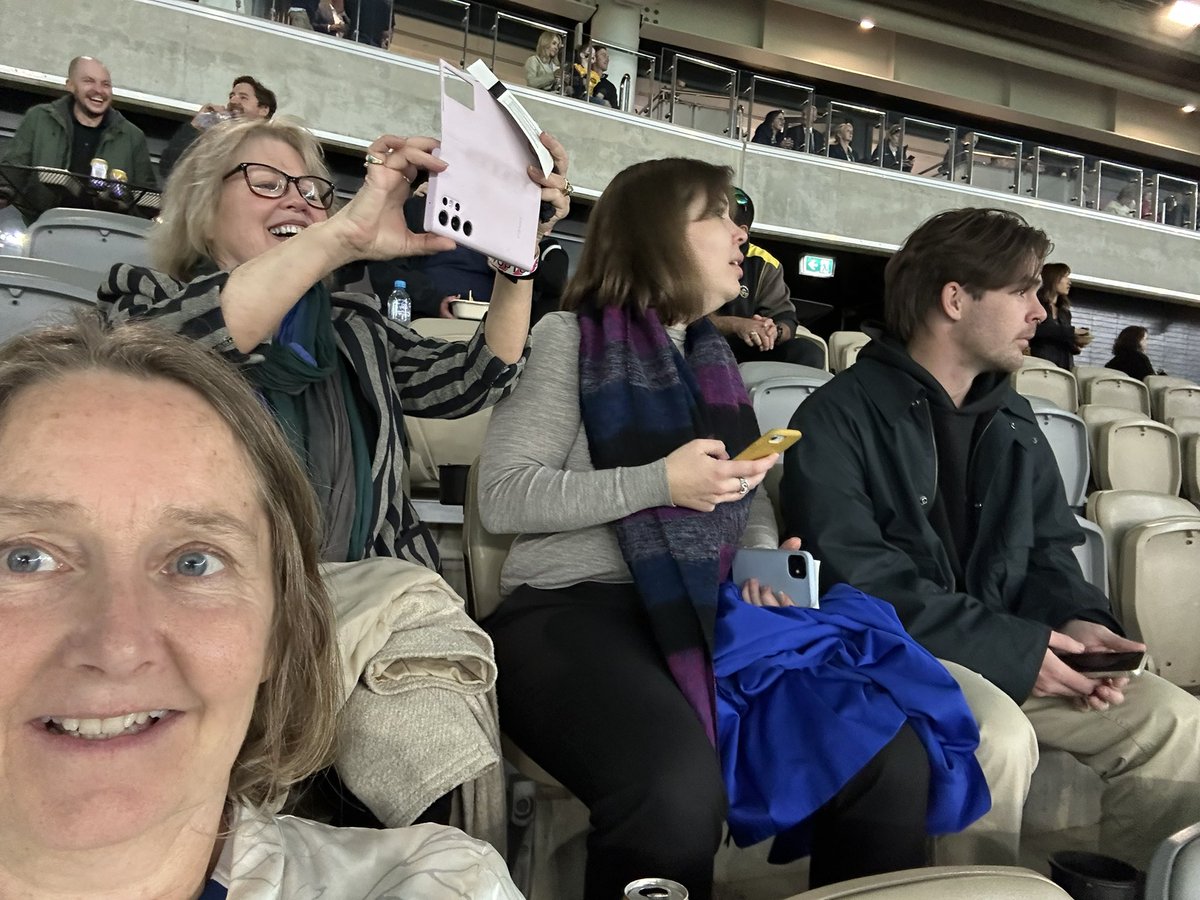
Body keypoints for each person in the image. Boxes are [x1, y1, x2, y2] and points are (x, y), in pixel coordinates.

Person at [478, 158, 990, 900]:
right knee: (675, 791)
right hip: (573, 613)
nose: (740, 233)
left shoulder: (713, 361)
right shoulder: (568, 340)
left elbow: (743, 502)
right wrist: (659, 483)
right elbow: (503, 496)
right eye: (717, 215)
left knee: (892, 758)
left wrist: (760, 566)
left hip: (708, 613)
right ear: (654, 236)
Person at [0, 314, 523, 898]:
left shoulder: (438, 881)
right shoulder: (154, 299)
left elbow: (478, 378)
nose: (117, 646)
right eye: (24, 558)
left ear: (278, 629)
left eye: (194, 562)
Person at [781, 207, 1200, 870]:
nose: (1041, 312)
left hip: (1006, 650)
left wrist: (1077, 619)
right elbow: (857, 583)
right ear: (955, 299)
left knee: (1178, 725)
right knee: (993, 737)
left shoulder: (1013, 416)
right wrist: (1016, 648)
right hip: (898, 656)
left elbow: (1048, 551)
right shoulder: (836, 418)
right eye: (1023, 290)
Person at [99, 116, 570, 572]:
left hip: (361, 584)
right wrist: (341, 237)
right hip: (204, 585)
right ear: (202, 214)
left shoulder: (352, 327)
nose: (299, 202)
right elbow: (162, 360)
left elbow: (480, 376)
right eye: (267, 182)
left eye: (311, 191)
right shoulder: (143, 300)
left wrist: (516, 251)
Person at [0, 56, 155, 222]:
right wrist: (4, 192)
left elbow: (148, 200)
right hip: (46, 228)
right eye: (89, 81)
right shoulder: (39, 118)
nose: (99, 90)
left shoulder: (133, 136)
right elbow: (14, 170)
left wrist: (123, 207)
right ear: (70, 86)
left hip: (109, 235)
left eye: (106, 84)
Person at [711, 187, 821, 368]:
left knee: (806, 351)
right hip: (701, 340)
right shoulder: (696, 253)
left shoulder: (765, 263)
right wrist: (736, 324)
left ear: (742, 232)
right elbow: (686, 317)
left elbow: (786, 318)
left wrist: (772, 331)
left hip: (743, 347)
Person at [159, 75, 278, 179]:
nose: (233, 100)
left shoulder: (274, 147)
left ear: (263, 110)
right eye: (231, 96)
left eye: (243, 97)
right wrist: (197, 125)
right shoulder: (214, 140)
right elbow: (169, 169)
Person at [1029, 262, 1088, 370]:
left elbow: (1062, 337)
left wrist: (1076, 342)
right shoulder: (1037, 305)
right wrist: (1073, 331)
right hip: (1040, 365)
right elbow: (1037, 330)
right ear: (1053, 278)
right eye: (1065, 277)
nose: (1069, 282)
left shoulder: (1065, 313)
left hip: (1063, 368)